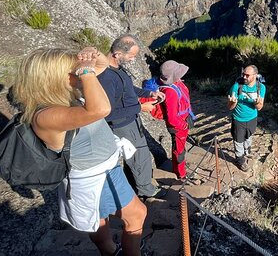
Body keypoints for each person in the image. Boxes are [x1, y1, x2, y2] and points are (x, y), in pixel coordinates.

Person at [12, 47, 147, 256]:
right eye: (73, 70)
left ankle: (110, 251)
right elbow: (102, 110)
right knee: (137, 214)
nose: (79, 72)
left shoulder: (66, 98)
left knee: (100, 220)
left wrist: (93, 56)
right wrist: (86, 72)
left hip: (102, 170)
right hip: (94, 177)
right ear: (55, 78)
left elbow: (103, 66)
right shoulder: (46, 115)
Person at [97, 34, 163, 199]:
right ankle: (146, 192)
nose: (133, 59)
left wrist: (149, 93)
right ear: (117, 54)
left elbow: (128, 88)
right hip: (123, 125)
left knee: (136, 157)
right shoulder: (106, 77)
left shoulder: (117, 69)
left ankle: (135, 187)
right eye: (131, 56)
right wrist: (141, 107)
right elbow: (108, 112)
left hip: (131, 120)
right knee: (139, 156)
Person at [151, 60, 194, 180]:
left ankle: (180, 168)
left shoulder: (175, 84)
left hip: (183, 120)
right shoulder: (170, 92)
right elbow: (172, 118)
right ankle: (181, 174)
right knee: (179, 151)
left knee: (180, 148)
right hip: (178, 126)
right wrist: (184, 125)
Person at [227, 65, 266, 171]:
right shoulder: (236, 86)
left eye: (247, 75)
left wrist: (257, 103)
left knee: (249, 137)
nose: (244, 77)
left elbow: (259, 107)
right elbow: (230, 107)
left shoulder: (260, 87)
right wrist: (232, 102)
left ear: (255, 75)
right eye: (243, 74)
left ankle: (247, 152)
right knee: (238, 141)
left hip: (252, 118)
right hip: (238, 119)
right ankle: (240, 159)